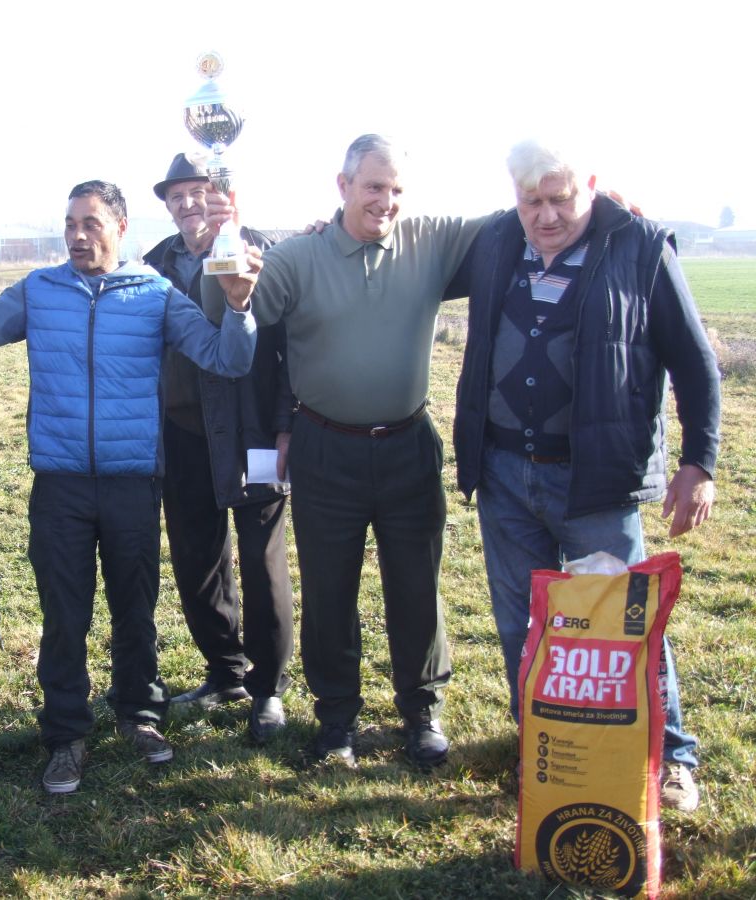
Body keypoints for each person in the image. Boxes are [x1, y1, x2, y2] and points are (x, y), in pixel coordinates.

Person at [0, 180, 263, 794]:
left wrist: (238, 307)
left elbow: (226, 360)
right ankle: (65, 736)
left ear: (120, 228)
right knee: (63, 616)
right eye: (71, 224)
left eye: (91, 224)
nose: (78, 235)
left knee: (135, 610)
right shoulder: (41, 291)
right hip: (60, 486)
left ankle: (139, 713)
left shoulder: (155, 295)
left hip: (132, 484)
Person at [447, 138, 721, 811]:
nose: (544, 215)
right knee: (523, 624)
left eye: (559, 199)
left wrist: (699, 464)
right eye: (530, 201)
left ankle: (671, 758)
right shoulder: (492, 244)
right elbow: (401, 251)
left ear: (591, 185)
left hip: (596, 478)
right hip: (506, 471)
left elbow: (695, 362)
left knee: (625, 624)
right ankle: (546, 750)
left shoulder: (640, 246)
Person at [202, 134, 485, 768]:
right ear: (343, 185)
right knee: (330, 592)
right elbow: (233, 307)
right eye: (373, 187)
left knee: (416, 585)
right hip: (325, 449)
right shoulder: (298, 258)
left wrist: (599, 208)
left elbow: (520, 222)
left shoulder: (430, 241)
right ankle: (336, 723)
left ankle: (421, 711)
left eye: (396, 190)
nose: (386, 202)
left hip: (409, 445)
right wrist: (224, 263)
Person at [144, 153, 294, 743]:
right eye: (177, 195)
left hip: (254, 433)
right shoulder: (154, 264)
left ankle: (269, 690)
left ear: (223, 194)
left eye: (200, 191)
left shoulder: (262, 251)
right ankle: (224, 671)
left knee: (261, 562)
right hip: (181, 433)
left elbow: (288, 345)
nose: (189, 204)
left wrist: (286, 422)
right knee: (196, 559)